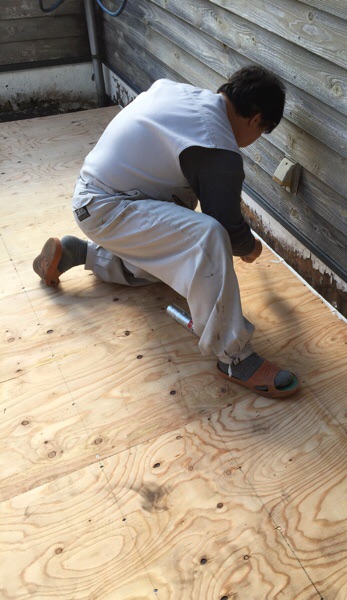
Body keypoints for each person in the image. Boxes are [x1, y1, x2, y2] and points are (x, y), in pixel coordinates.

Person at [33, 65, 299, 398]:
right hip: (107, 207)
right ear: (256, 119)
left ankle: (83, 253)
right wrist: (250, 248)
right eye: (261, 132)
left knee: (179, 258)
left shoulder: (179, 93)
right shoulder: (217, 146)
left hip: (97, 195)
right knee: (207, 237)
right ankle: (235, 357)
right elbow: (227, 228)